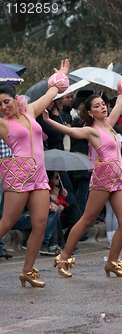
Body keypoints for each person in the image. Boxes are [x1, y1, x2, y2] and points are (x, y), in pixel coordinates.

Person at [45, 63, 122, 279]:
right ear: (90, 112)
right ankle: (63, 257)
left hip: (117, 178)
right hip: (103, 177)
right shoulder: (92, 130)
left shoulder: (110, 124)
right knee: (87, 219)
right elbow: (70, 130)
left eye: (104, 104)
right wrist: (49, 120)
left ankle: (112, 262)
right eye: (97, 106)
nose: (103, 107)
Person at [0, 60, 70, 287]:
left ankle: (27, 271)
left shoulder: (30, 111)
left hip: (39, 176)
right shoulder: (2, 123)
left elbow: (51, 93)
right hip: (18, 175)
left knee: (40, 223)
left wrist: (60, 76)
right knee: (7, 222)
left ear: (16, 98)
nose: (3, 107)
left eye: (6, 101)